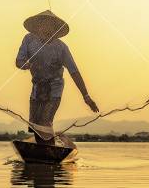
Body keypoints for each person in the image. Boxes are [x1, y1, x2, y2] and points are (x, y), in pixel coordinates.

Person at [15, 10, 98, 142]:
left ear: (55, 30)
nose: (48, 30)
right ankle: (42, 151)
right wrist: (26, 65)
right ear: (38, 27)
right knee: (35, 125)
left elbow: (74, 72)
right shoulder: (29, 39)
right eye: (44, 26)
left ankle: (51, 150)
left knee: (45, 122)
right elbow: (19, 61)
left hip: (54, 87)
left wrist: (86, 96)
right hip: (37, 86)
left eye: (52, 28)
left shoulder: (61, 48)